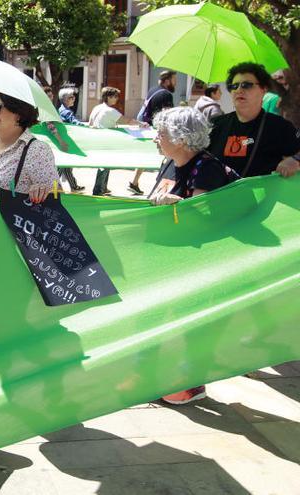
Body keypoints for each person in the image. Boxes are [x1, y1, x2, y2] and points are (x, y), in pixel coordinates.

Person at [148, 107, 240, 403]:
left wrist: (177, 203)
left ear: (181, 138)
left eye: (161, 132)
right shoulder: (170, 163)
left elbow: (203, 216)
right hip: (174, 257)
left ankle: (193, 383)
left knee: (196, 322)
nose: (156, 137)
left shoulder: (207, 168)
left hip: (203, 262)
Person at [207, 62, 299, 180]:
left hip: (261, 197)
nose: (239, 90)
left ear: (263, 89)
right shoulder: (216, 124)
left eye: (246, 85)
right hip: (219, 196)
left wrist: (295, 159)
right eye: (234, 86)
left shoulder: (279, 127)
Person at [0, 91, 58, 201]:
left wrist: (43, 190)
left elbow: (56, 195)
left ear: (18, 113)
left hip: (14, 218)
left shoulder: (37, 150)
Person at [88, 86, 146, 196]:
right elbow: (127, 121)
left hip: (96, 139)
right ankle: (98, 190)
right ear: (108, 97)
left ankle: (103, 187)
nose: (117, 99)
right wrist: (141, 124)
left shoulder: (97, 108)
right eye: (115, 96)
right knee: (103, 165)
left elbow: (90, 123)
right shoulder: (110, 111)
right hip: (105, 141)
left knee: (106, 163)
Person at [130, 71, 177, 194]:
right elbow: (168, 115)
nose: (175, 83)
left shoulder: (153, 90)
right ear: (167, 81)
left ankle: (134, 182)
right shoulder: (166, 94)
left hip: (145, 128)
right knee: (168, 157)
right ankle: (162, 185)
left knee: (146, 156)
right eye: (174, 80)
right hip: (156, 130)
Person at [55, 87, 84, 192]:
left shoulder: (62, 109)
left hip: (64, 141)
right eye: (71, 97)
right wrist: (87, 126)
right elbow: (75, 122)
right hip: (65, 141)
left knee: (66, 166)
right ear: (65, 99)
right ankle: (54, 188)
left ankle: (73, 186)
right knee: (61, 166)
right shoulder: (66, 111)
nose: (74, 99)